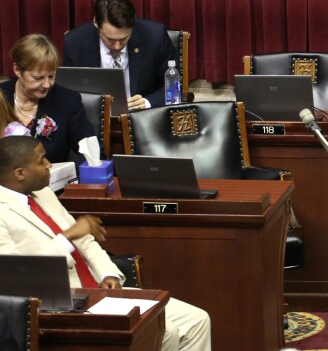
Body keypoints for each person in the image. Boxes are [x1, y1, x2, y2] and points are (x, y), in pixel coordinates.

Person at [0, 135, 211, 351]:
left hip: (103, 294)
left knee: (197, 320)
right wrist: (66, 238)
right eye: (42, 160)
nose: (49, 165)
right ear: (19, 173)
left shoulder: (43, 193)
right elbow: (15, 277)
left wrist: (108, 274)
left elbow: (86, 241)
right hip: (65, 304)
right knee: (167, 332)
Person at [63, 0, 177, 110]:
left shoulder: (155, 36)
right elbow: (68, 92)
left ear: (133, 22)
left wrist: (147, 102)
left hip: (142, 118)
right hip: (94, 120)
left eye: (124, 39)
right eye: (110, 39)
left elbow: (173, 86)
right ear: (96, 22)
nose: (117, 46)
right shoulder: (75, 42)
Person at [0, 34, 97, 163]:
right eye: (38, 78)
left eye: (51, 76)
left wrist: (66, 174)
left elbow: (93, 154)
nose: (47, 85)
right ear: (17, 69)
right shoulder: (2, 95)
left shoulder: (67, 101)